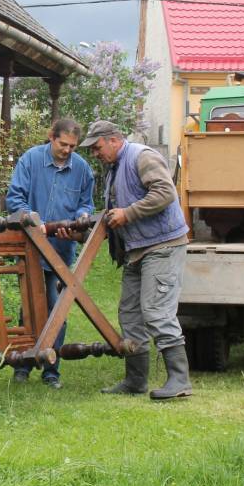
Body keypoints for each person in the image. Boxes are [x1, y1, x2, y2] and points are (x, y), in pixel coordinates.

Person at [81, 120, 192, 400]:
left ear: (114, 140)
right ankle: (135, 380)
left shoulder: (142, 156)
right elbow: (117, 211)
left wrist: (128, 214)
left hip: (162, 246)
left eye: (97, 147)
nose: (95, 153)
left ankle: (180, 380)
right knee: (129, 313)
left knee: (156, 311)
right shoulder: (114, 169)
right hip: (137, 249)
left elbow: (166, 193)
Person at [5, 118, 95, 388]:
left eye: (72, 146)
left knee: (58, 308)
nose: (67, 150)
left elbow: (85, 204)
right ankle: (23, 364)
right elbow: (14, 198)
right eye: (63, 144)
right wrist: (34, 220)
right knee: (30, 309)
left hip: (61, 251)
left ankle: (51, 370)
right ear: (51, 137)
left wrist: (79, 220)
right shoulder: (30, 160)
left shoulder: (82, 169)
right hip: (31, 249)